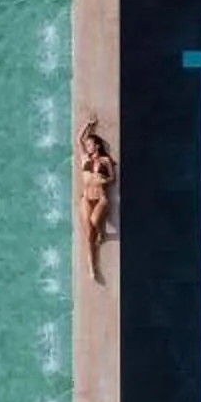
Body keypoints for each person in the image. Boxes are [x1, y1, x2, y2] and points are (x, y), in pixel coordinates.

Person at [77, 115, 117, 283]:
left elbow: (113, 177)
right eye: (87, 145)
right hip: (86, 198)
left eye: (90, 144)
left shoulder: (105, 160)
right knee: (89, 236)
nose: (88, 146)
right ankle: (93, 267)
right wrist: (88, 125)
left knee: (94, 222)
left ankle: (102, 232)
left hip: (101, 198)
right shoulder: (85, 158)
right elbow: (79, 139)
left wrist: (104, 180)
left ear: (97, 145)